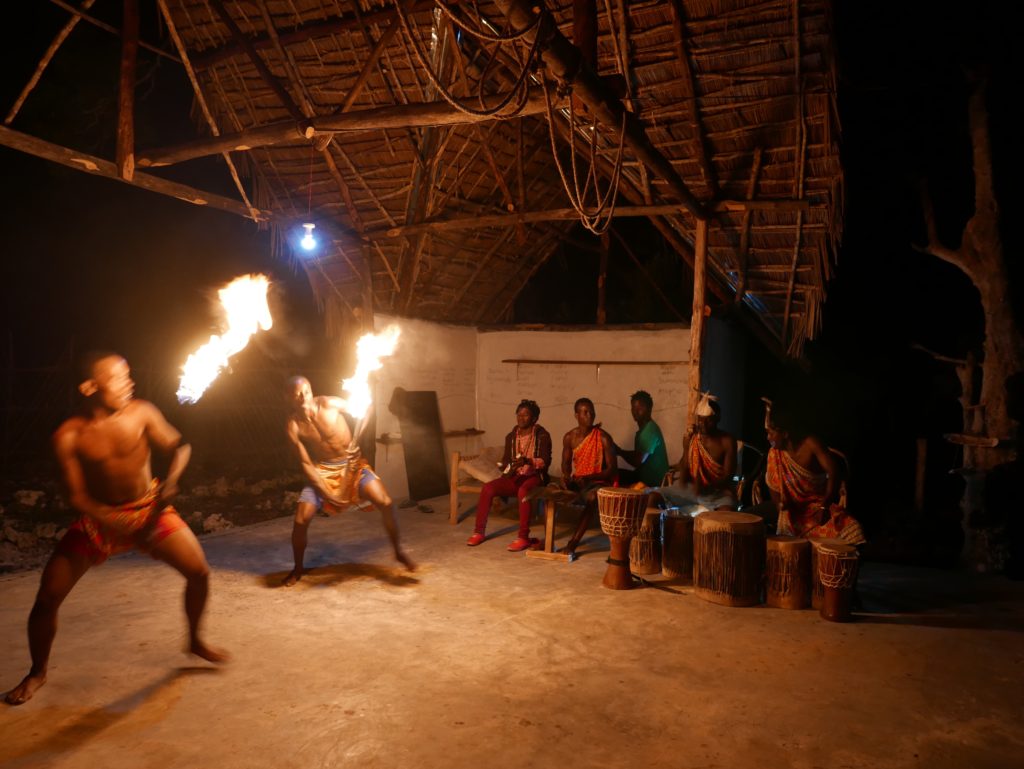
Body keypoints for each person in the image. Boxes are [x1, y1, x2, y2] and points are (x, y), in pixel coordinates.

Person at [4, 352, 227, 706]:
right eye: (118, 378)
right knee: (47, 599)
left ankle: (195, 640)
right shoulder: (69, 435)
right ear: (90, 387)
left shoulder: (143, 412)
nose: (130, 383)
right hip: (98, 519)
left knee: (199, 571)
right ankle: (37, 672)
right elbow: (78, 497)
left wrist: (171, 481)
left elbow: (180, 445)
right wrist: (117, 524)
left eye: (129, 375)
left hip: (149, 509)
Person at [284, 376, 415, 586]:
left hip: (353, 465)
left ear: (311, 390)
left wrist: (359, 438)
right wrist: (328, 494)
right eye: (297, 394)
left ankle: (398, 551)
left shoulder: (329, 403)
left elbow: (367, 407)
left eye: (306, 391)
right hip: (323, 471)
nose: (303, 397)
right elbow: (306, 464)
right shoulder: (293, 425)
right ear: (288, 397)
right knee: (300, 521)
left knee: (386, 503)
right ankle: (298, 568)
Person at [763, 402, 865, 545]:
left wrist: (825, 505)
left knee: (853, 531)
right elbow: (771, 483)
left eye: (771, 433)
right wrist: (780, 504)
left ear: (785, 433)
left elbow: (833, 471)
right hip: (792, 514)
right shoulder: (774, 454)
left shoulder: (811, 444)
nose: (768, 437)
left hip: (818, 506)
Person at [466, 399, 552, 551]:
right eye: (519, 414)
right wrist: (506, 466)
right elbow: (506, 461)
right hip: (515, 477)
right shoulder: (511, 437)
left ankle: (523, 537)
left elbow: (545, 461)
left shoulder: (542, 435)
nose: (521, 418)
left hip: (534, 477)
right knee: (488, 488)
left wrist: (528, 461)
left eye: (525, 415)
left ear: (534, 418)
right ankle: (479, 532)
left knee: (523, 491)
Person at [657, 393, 737, 512]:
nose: (703, 425)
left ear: (717, 419)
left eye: (708, 420)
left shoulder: (727, 441)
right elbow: (684, 476)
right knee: (652, 497)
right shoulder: (693, 438)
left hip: (717, 493)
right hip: (690, 490)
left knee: (726, 513)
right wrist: (685, 448)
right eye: (700, 420)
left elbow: (728, 476)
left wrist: (707, 486)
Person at [558, 398, 618, 556]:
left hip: (598, 481)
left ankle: (573, 543)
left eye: (591, 411)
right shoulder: (569, 437)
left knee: (592, 498)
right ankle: (547, 541)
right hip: (580, 481)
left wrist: (589, 478)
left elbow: (612, 469)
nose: (589, 415)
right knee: (550, 492)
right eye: (584, 412)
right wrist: (565, 477)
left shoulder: (604, 438)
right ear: (576, 415)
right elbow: (565, 465)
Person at [614, 390, 670, 487]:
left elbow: (638, 460)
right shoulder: (643, 431)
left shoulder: (650, 430)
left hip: (654, 484)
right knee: (615, 474)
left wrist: (619, 451)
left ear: (649, 409)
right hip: (644, 478)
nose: (635, 411)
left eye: (640, 408)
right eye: (633, 408)